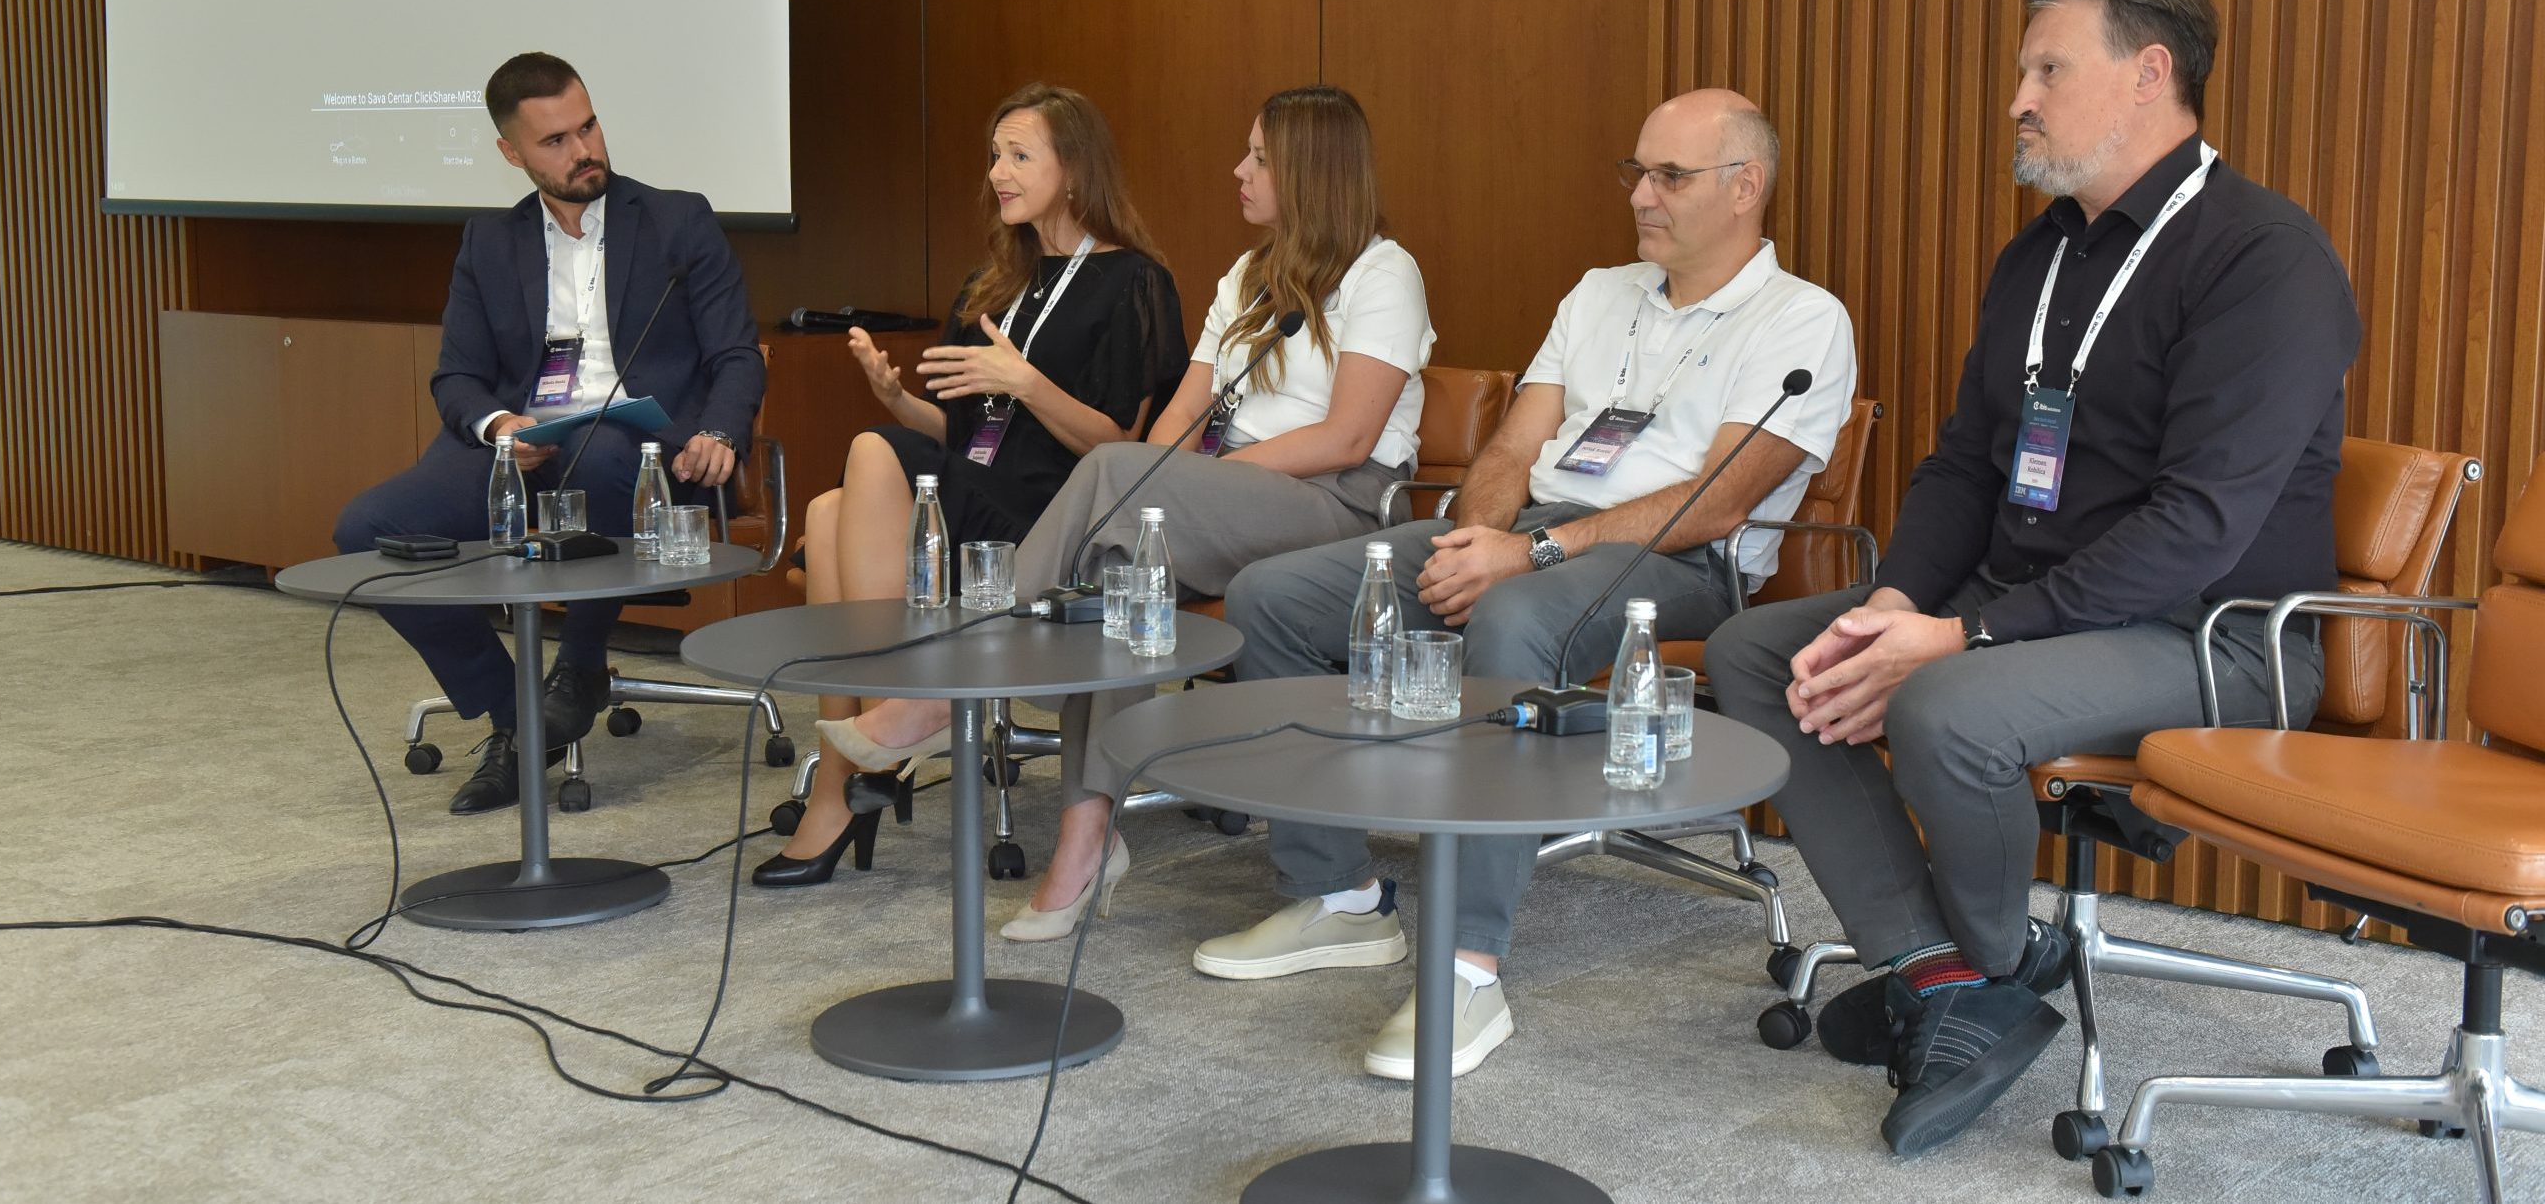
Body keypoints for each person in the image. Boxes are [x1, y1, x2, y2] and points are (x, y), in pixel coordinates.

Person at [1703, 0, 2362, 1158]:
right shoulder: (2041, 254)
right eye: (2022, 72)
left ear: (2148, 75)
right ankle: (1942, 971)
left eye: (2047, 69)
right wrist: (1893, 605)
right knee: (1762, 651)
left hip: (2212, 634)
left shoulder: (2263, 259)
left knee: (1947, 705)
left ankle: (1988, 973)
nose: (2017, 97)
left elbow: (2199, 525)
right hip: (2023, 604)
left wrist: (1958, 636)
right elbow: (1967, 463)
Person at [1207, 89, 1859, 1080]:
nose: (1640, 195)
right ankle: (1337, 898)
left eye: (1669, 176)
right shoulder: (1599, 292)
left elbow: (1716, 503)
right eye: (1635, 172)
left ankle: (1466, 970)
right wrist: (1478, 538)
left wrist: (1529, 557)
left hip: (1678, 564)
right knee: (1273, 597)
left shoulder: (1801, 319)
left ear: (1745, 187)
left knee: (1510, 618)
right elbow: (1514, 447)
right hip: (1530, 534)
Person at [841, 85, 1435, 939]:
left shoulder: (1384, 272)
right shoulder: (1248, 276)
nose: (1239, 171)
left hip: (1334, 505)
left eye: (1259, 158)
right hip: (1220, 498)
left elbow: (1348, 437)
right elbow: (1180, 421)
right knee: (1123, 578)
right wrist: (1172, 478)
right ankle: (1088, 840)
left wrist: (1183, 481)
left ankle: (958, 679)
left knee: (1125, 479)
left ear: (1311, 171)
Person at [754, 83, 1186, 886]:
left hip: (1054, 522)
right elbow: (961, 438)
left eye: (1019, 155)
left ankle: (877, 747)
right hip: (974, 499)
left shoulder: (1133, 281)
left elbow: (1120, 446)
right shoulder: (991, 282)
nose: (997, 173)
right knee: (831, 503)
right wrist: (896, 401)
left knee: (864, 463)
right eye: (995, 155)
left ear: (1074, 168)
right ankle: (853, 772)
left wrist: (1027, 383)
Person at [334, 52, 763, 816]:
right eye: (556, 141)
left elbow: (736, 352)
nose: (584, 150)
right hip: (523, 445)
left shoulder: (676, 220)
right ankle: (517, 715)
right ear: (512, 153)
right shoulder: (489, 243)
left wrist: (722, 432)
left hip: (636, 449)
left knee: (600, 458)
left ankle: (579, 667)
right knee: (367, 529)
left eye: (588, 127)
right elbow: (456, 377)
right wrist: (502, 426)